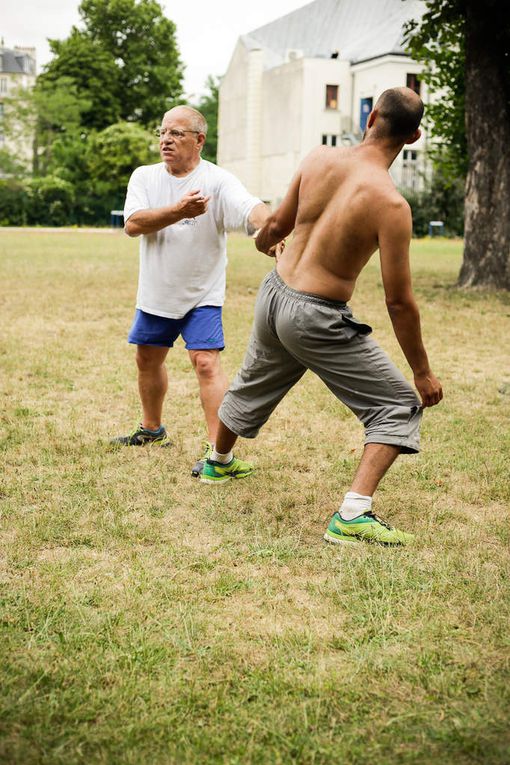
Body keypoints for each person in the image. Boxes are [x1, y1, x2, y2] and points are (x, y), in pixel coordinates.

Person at [200, 87, 443, 546]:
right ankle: (353, 515)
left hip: (275, 294)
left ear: (370, 119)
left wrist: (266, 245)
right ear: (413, 137)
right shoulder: (391, 205)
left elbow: (271, 229)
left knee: (254, 379)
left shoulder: (318, 158)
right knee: (398, 403)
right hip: (315, 315)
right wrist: (422, 372)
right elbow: (398, 301)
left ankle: (217, 461)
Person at [113, 106, 271, 475]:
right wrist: (180, 210)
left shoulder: (217, 180)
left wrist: (272, 230)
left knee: (205, 363)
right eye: (163, 132)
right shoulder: (145, 177)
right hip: (157, 292)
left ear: (199, 140)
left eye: (177, 133)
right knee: (147, 360)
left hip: (203, 294)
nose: (165, 140)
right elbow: (134, 224)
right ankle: (152, 430)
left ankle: (218, 453)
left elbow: (251, 208)